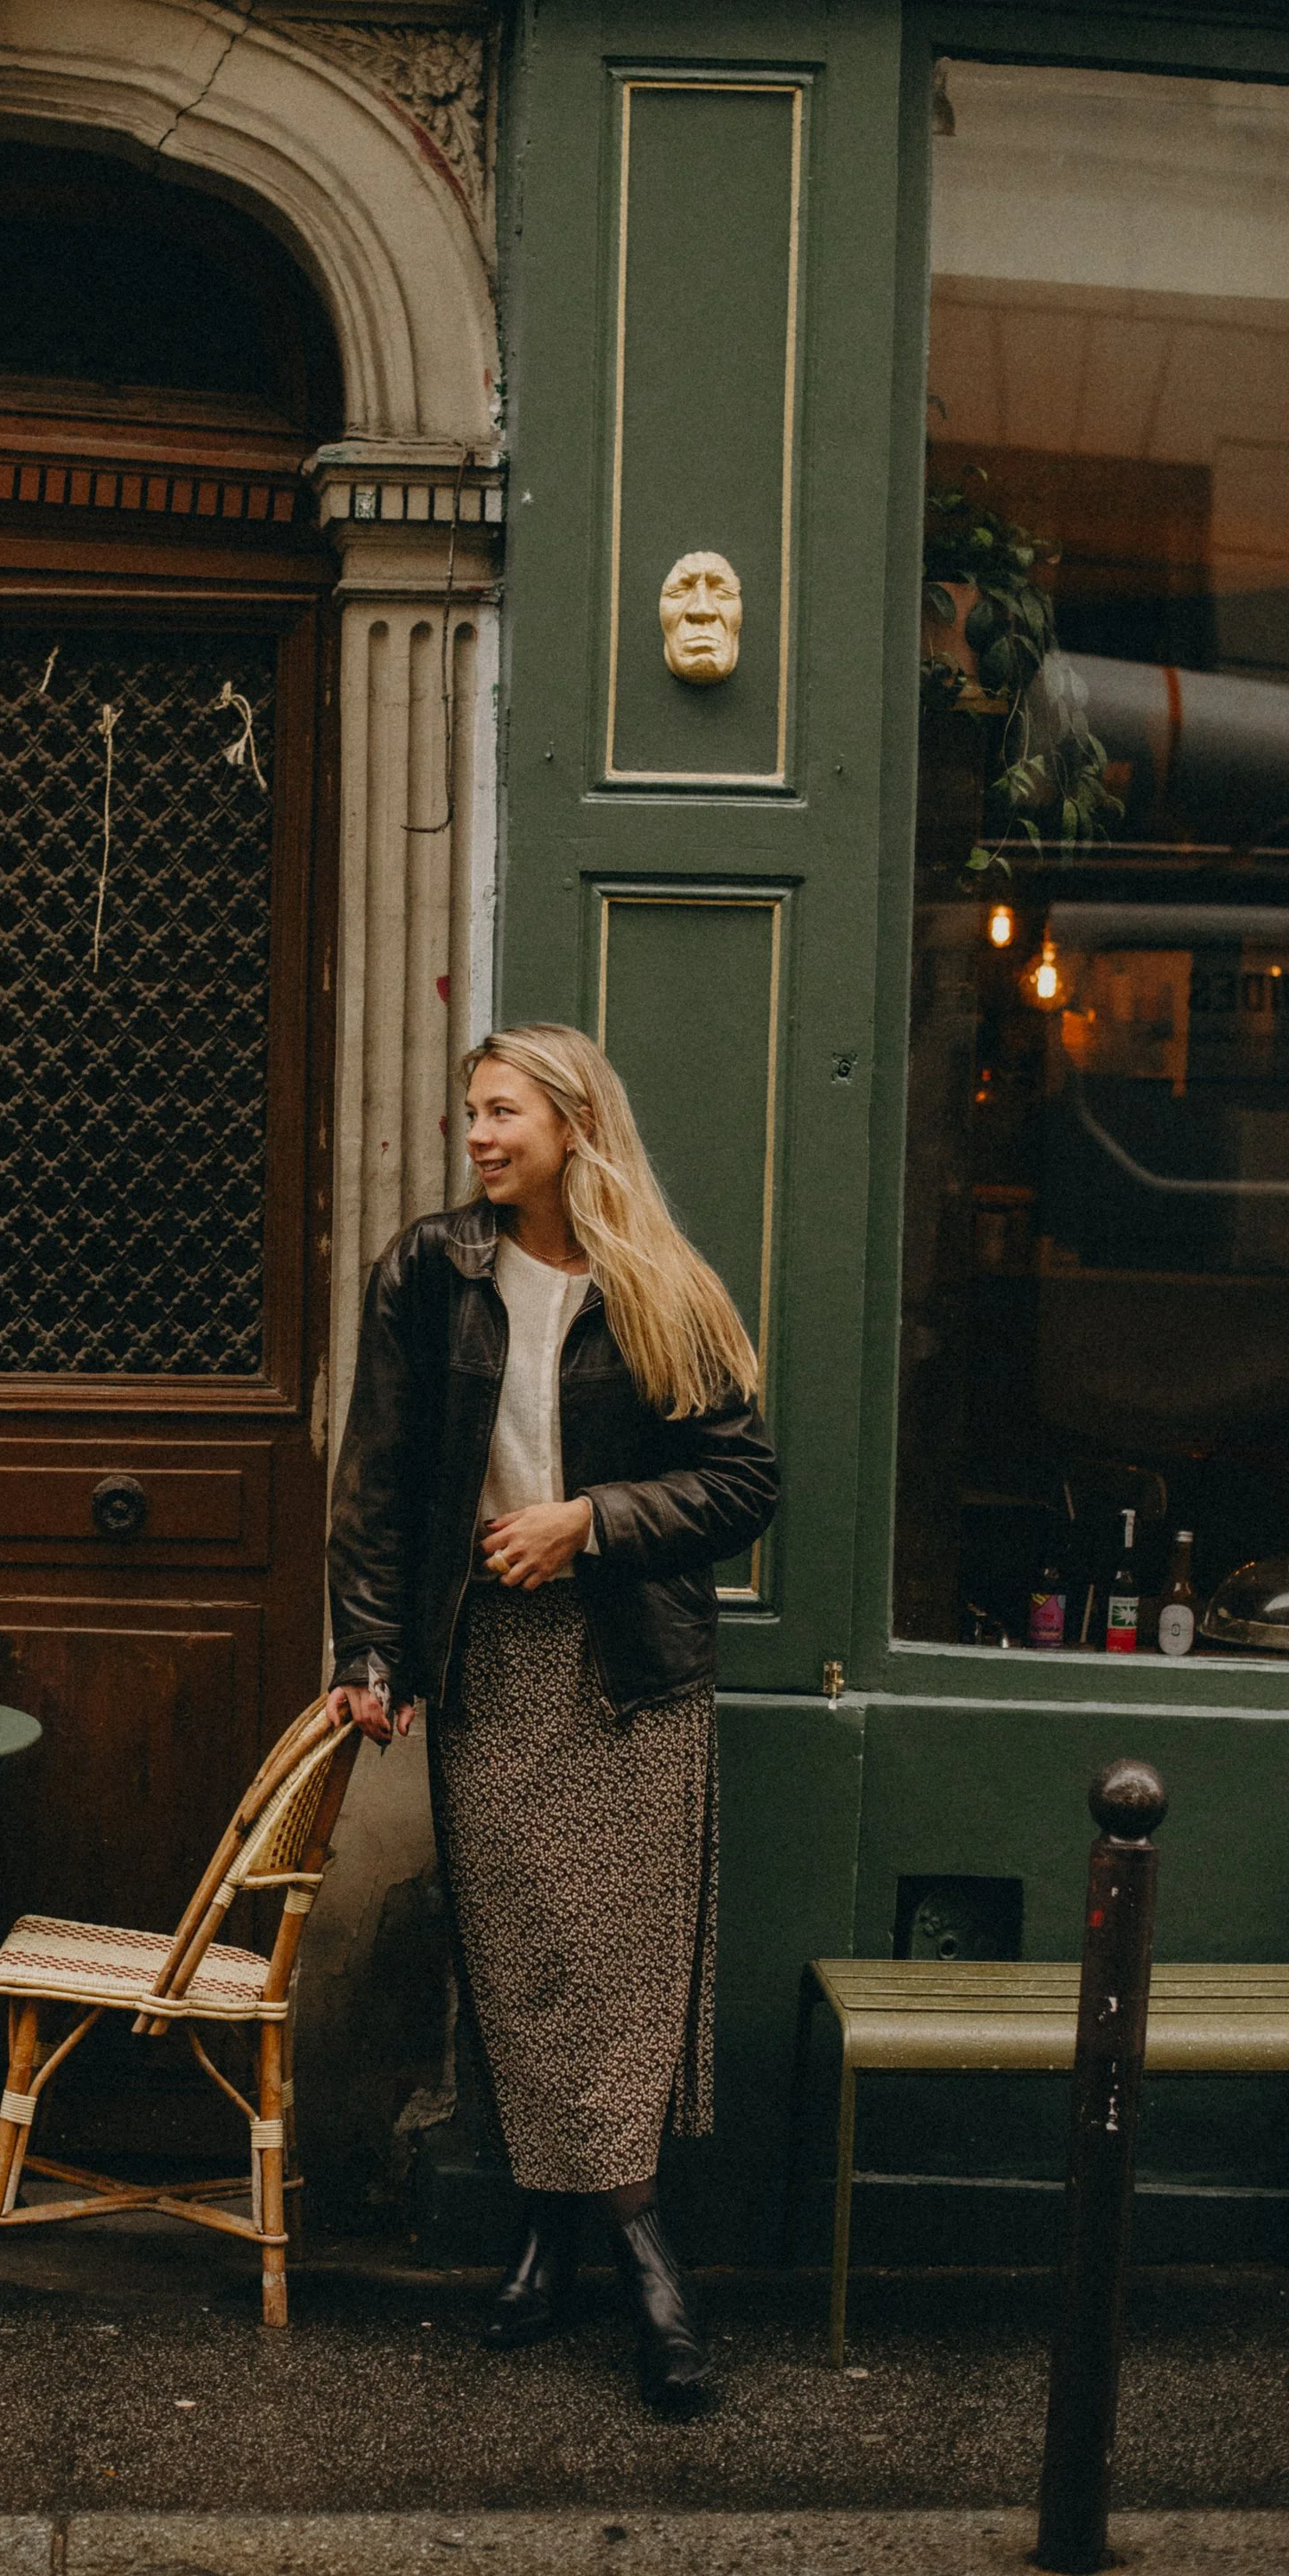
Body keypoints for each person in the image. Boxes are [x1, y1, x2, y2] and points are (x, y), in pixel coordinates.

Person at [325, 1025, 779, 2412]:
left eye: (501, 1111)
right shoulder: (430, 1270)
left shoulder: (662, 1283)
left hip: (631, 1672)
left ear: (573, 1124)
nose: (477, 1134)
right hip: (494, 1668)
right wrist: (370, 1651)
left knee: (622, 1976)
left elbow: (745, 1484)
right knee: (523, 1967)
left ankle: (620, 2249)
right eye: (471, 1111)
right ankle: (580, 2238)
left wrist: (592, 1520)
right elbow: (378, 1477)